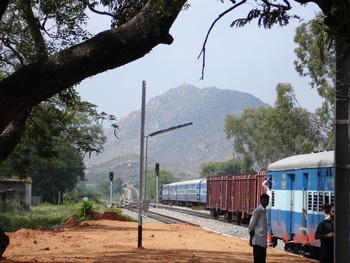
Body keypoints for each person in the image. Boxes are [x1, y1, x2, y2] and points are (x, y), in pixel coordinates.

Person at [248, 193, 269, 263]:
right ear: (260, 201)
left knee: (262, 260)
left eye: (267, 201)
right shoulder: (258, 210)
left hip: (262, 241)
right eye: (264, 200)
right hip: (257, 240)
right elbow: (251, 225)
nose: (266, 202)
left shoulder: (264, 211)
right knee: (257, 260)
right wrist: (251, 239)